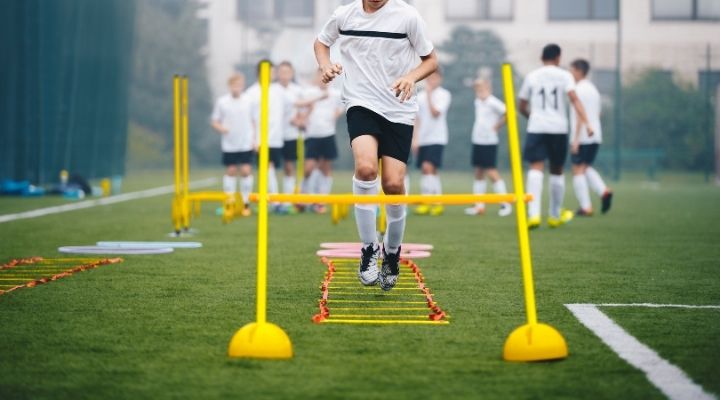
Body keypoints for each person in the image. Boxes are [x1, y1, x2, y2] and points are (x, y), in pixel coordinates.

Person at [315, 0, 437, 291]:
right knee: (367, 168)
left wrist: (410, 77)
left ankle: (392, 252)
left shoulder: (407, 16)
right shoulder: (344, 14)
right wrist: (326, 66)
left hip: (399, 107)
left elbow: (432, 60)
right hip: (360, 103)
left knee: (393, 184)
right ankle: (369, 248)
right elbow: (321, 43)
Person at [518, 44, 594, 229]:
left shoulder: (532, 76)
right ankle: (553, 215)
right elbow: (574, 99)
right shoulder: (565, 75)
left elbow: (521, 104)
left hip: (537, 126)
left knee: (535, 168)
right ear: (558, 57)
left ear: (541, 57)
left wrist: (532, 117)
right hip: (558, 128)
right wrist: (587, 123)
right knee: (556, 169)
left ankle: (533, 214)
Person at [569, 59, 613, 216]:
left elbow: (580, 115)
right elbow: (598, 113)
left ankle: (585, 207)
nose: (570, 73)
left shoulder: (577, 89)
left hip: (583, 136)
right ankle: (604, 191)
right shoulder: (594, 89)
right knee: (585, 167)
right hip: (596, 134)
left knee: (577, 170)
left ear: (579, 71)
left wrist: (575, 139)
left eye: (572, 70)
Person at [246, 60, 290, 211]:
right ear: (260, 73)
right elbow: (248, 118)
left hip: (276, 138)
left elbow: (295, 103)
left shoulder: (278, 90)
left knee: (269, 169)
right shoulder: (251, 93)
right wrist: (252, 139)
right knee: (267, 167)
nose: (272, 75)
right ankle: (275, 201)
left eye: (273, 72)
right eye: (269, 72)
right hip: (259, 139)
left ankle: (272, 200)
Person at [465, 79, 512, 217]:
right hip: (477, 140)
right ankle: (479, 206)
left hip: (489, 141)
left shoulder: (493, 101)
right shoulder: (478, 101)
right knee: (478, 171)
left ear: (489, 88)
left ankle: (505, 204)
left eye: (482, 88)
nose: (480, 91)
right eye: (478, 89)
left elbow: (509, 112)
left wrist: (497, 126)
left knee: (491, 171)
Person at [210, 72, 255, 217]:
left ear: (242, 86)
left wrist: (255, 140)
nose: (237, 88)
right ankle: (229, 203)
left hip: (246, 143)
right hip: (229, 144)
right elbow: (215, 121)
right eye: (234, 85)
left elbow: (254, 121)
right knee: (231, 171)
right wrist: (222, 128)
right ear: (229, 86)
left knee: (246, 171)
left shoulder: (249, 100)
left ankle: (245, 203)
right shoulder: (222, 102)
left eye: (239, 85)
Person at [301, 71, 343, 214]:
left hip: (328, 134)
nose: (323, 79)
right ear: (316, 77)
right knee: (309, 168)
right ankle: (303, 196)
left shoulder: (336, 94)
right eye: (320, 76)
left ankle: (321, 201)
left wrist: (335, 115)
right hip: (312, 134)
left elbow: (343, 106)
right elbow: (301, 107)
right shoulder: (309, 93)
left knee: (325, 168)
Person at [412, 70, 451, 217]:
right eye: (429, 78)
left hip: (437, 137)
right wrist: (415, 139)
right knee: (428, 170)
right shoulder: (419, 97)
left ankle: (428, 201)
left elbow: (435, 113)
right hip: (423, 138)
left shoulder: (444, 95)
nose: (431, 81)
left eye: (434, 78)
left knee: (428, 167)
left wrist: (429, 95)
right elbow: (417, 119)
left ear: (440, 79)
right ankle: (435, 202)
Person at [277, 61, 304, 213]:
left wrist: (300, 119)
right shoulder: (273, 90)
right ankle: (272, 201)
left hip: (291, 134)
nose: (284, 75)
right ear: (277, 73)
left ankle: (288, 200)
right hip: (274, 135)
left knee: (289, 167)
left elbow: (303, 108)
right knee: (270, 167)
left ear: (292, 73)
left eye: (287, 72)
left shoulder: (297, 90)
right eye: (282, 72)